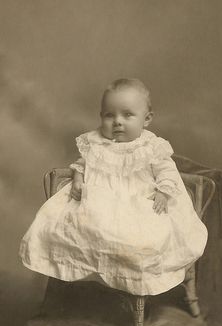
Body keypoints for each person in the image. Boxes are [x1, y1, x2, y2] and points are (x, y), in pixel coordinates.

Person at [19, 78, 207, 296]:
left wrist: (163, 192)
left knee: (144, 238)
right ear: (101, 117)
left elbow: (167, 171)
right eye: (110, 115)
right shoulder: (96, 143)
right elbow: (82, 164)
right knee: (71, 226)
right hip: (99, 202)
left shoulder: (151, 147)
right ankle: (91, 272)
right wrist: (78, 179)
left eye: (127, 115)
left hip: (139, 202)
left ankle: (133, 280)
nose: (117, 122)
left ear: (146, 119)